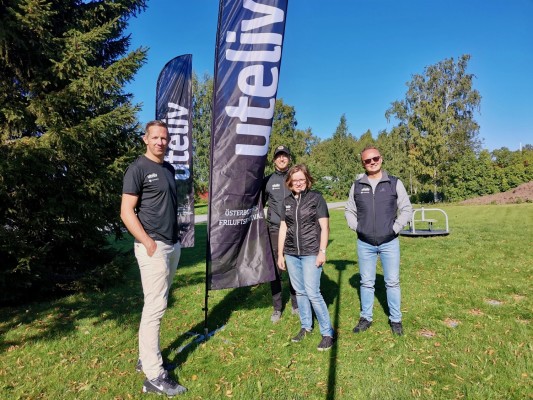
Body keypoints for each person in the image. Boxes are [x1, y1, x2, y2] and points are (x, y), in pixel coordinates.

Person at [121, 120, 187, 396]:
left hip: (172, 245)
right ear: (145, 139)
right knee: (155, 308)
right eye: (156, 137)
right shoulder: (137, 169)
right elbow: (126, 211)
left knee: (156, 304)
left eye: (165, 138)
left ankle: (145, 357)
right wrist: (147, 242)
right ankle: (154, 375)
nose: (161, 142)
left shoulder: (168, 168)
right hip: (153, 247)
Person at [344, 146, 413, 336]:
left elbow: (406, 209)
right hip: (365, 242)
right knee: (366, 282)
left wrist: (395, 228)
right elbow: (349, 210)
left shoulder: (393, 183)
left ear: (381, 159)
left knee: (392, 282)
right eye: (367, 160)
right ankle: (366, 317)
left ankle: (396, 320)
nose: (372, 162)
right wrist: (357, 227)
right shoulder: (357, 185)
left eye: (375, 158)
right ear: (363, 163)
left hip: (389, 241)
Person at [277, 164, 335, 351]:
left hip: (311, 253)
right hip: (291, 253)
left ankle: (327, 332)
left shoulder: (316, 198)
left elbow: (325, 227)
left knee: (312, 292)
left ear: (307, 180)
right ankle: (306, 326)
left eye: (302, 179)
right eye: (295, 180)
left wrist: (322, 251)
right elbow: (284, 228)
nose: (299, 183)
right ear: (290, 182)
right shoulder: (286, 201)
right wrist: (281, 254)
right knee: (299, 292)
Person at [263, 145, 298, 323]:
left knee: (293, 266)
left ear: (289, 159)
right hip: (275, 230)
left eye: (285, 156)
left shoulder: (295, 178)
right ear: (274, 160)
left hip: (294, 229)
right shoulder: (268, 181)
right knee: (275, 271)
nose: (282, 159)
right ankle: (277, 308)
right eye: (278, 156)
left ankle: (296, 304)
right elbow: (258, 205)